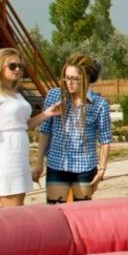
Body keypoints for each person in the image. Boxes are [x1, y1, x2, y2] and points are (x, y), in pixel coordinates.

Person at [33, 54, 113, 203]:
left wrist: (101, 169)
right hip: (56, 164)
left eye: (75, 79)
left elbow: (105, 139)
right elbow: (45, 130)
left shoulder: (99, 104)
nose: (69, 83)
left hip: (85, 166)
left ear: (87, 79)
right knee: (55, 210)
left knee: (82, 214)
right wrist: (38, 162)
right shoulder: (54, 96)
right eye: (66, 77)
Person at [0, 48, 61, 207]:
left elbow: (23, 125)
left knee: (17, 204)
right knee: (12, 210)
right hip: (5, 154)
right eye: (12, 66)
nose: (18, 69)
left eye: (20, 66)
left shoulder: (15, 93)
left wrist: (47, 114)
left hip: (18, 153)